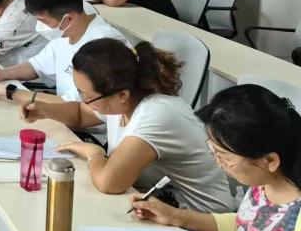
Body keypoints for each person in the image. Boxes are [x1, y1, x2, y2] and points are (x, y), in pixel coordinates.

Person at [17, 39, 233, 213]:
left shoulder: (156, 115)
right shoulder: (124, 100)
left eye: (87, 96)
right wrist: (45, 109)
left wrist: (94, 153)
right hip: (155, 207)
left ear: (122, 95)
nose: (84, 100)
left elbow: (109, 183)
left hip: (199, 224)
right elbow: (81, 114)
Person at [132, 84, 301, 231]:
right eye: (213, 150)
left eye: (224, 156)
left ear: (270, 160)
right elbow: (248, 226)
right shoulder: (264, 180)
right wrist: (175, 217)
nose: (218, 162)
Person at [0, 0, 129, 104]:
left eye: (44, 21)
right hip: (64, 115)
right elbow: (37, 66)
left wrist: (9, 92)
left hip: (88, 123)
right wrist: (2, 73)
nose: (40, 26)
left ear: (69, 19)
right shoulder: (65, 35)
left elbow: (78, 107)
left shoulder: (104, 45)